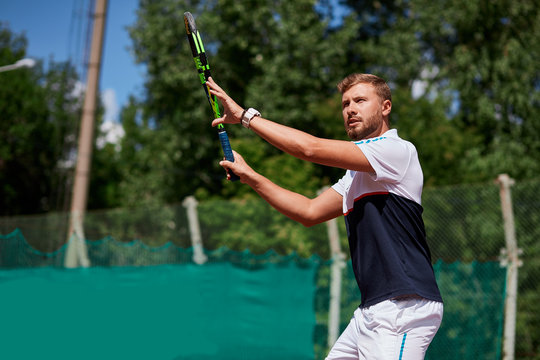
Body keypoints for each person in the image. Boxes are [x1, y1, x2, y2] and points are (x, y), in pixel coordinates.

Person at [207, 73, 443, 360]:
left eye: (360, 100)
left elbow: (310, 148)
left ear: (386, 107)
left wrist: (246, 117)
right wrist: (252, 177)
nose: (350, 109)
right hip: (371, 312)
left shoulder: (396, 151)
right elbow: (309, 211)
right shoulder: (356, 174)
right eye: (345, 104)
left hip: (402, 307)